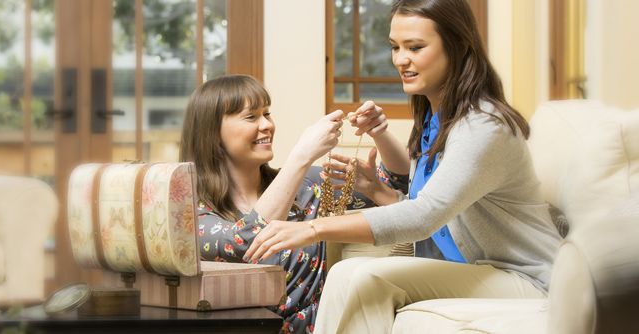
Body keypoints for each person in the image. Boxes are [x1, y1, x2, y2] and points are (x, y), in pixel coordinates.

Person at [242, 0, 563, 332]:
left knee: (370, 277)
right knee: (346, 273)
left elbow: (425, 217)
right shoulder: (433, 121)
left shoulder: (483, 126)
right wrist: (378, 191)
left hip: (525, 278)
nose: (400, 59)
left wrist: (311, 228)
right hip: (477, 271)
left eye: (415, 47)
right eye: (395, 47)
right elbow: (438, 216)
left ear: (458, 45)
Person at [179, 74, 393, 333]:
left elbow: (397, 188)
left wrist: (380, 133)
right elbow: (246, 242)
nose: (267, 125)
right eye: (251, 117)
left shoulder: (309, 186)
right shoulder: (191, 211)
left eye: (267, 114)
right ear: (212, 134)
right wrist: (301, 154)